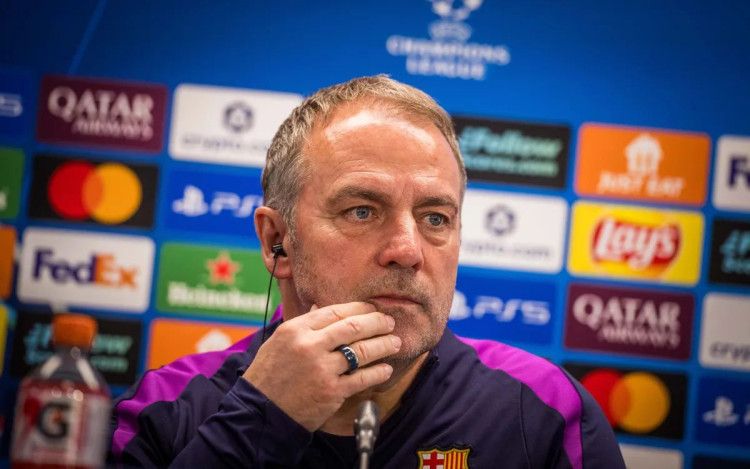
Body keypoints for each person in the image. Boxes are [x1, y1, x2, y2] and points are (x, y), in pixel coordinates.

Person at [108, 75, 625, 468]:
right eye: (362, 211)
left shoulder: (544, 411)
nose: (407, 250)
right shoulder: (163, 412)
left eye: (435, 218)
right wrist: (258, 421)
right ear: (276, 242)